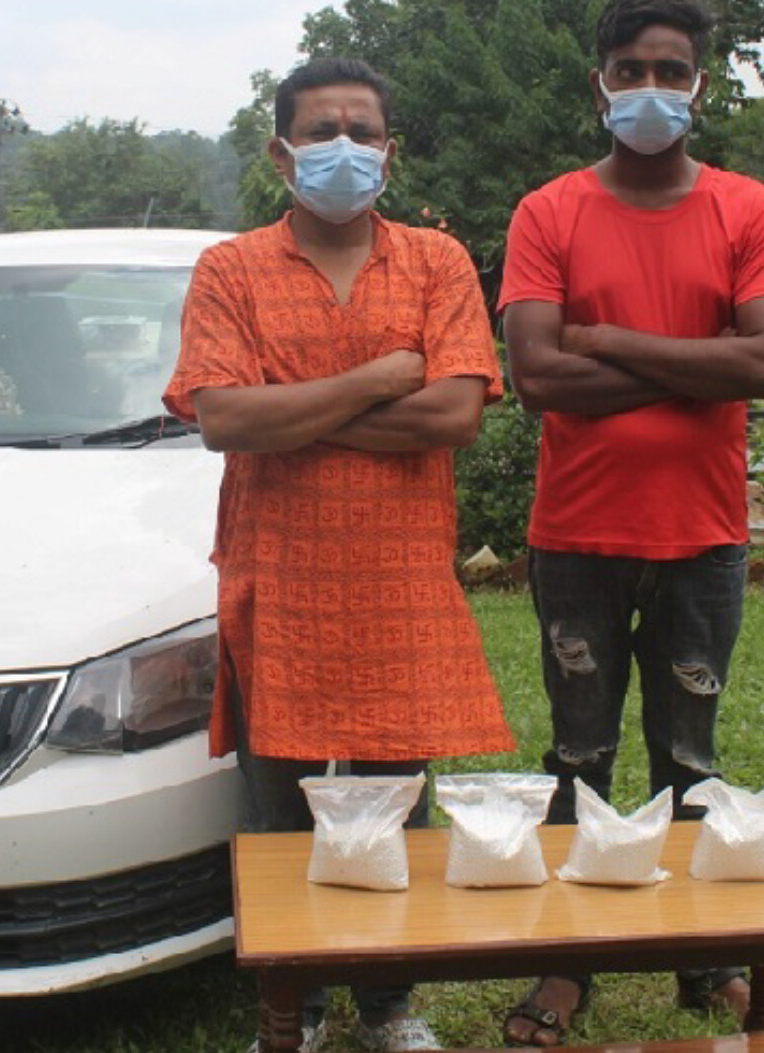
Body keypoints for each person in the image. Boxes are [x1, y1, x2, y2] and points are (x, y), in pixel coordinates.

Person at [162, 56, 514, 1053]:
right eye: (322, 131)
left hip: (400, 581)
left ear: (390, 153)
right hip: (279, 580)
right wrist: (376, 379)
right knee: (279, 816)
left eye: (363, 131)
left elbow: (454, 414)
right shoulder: (230, 270)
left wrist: (295, 409)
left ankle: (389, 1003)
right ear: (281, 154)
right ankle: (297, 1009)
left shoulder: (437, 262)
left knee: (397, 803)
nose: (344, 148)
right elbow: (224, 418)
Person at [493, 0, 764, 1045]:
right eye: (631, 69)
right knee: (578, 754)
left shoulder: (749, 210)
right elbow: (538, 377)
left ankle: (701, 959)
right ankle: (565, 964)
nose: (651, 87)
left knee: (690, 758)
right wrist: (700, 365)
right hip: (576, 535)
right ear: (601, 85)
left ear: (700, 85)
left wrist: (610, 338)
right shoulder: (549, 213)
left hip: (702, 540)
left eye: (673, 69)